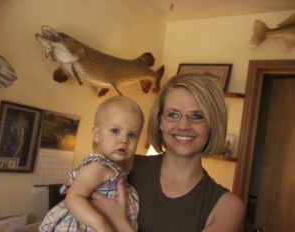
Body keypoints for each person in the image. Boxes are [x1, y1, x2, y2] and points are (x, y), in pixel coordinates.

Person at [91, 73, 244, 232]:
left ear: (212, 124)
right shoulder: (118, 167)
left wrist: (120, 223)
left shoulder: (227, 207)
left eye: (197, 116)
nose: (183, 125)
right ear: (160, 122)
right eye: (172, 114)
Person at [40, 95, 144, 232]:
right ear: (96, 135)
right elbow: (73, 197)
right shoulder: (98, 166)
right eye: (115, 131)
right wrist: (100, 224)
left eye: (132, 135)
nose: (124, 140)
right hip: (90, 225)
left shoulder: (120, 166)